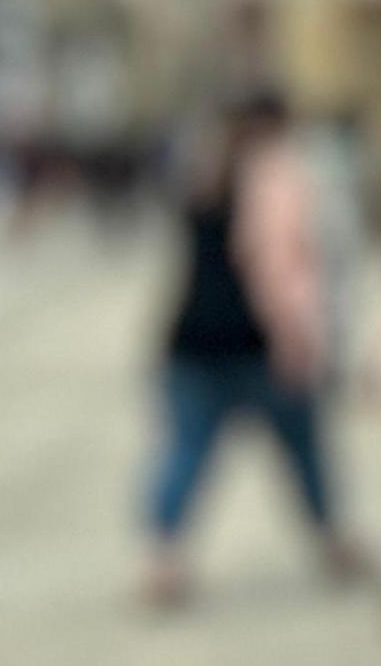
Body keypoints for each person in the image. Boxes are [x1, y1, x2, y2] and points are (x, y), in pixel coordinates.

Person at [138, 90, 360, 609]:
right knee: (303, 449)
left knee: (186, 451)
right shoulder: (276, 177)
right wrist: (301, 337)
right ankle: (332, 542)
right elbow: (278, 268)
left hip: (192, 336)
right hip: (259, 341)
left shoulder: (205, 172)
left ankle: (161, 557)